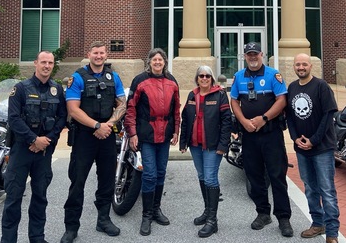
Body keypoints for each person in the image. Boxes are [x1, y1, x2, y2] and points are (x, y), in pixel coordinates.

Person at [60, 41, 127, 242]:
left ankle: (103, 220)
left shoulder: (114, 77)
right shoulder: (77, 78)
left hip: (107, 135)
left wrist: (108, 125)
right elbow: (73, 109)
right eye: (95, 53)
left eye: (101, 53)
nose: (98, 56)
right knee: (77, 182)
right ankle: (71, 227)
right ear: (89, 54)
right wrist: (96, 126)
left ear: (106, 55)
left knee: (107, 180)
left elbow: (122, 104)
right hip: (84, 136)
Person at [0, 51, 67, 243]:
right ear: (35, 63)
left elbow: (62, 117)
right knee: (13, 198)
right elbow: (13, 118)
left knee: (40, 198)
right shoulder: (20, 88)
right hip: (22, 150)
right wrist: (33, 139)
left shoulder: (57, 89)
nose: (47, 66)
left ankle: (37, 237)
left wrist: (46, 140)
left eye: (50, 63)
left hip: (44, 151)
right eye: (43, 62)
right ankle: (8, 240)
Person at [229, 42, 293, 238]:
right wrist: (243, 121)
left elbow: (282, 100)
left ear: (262, 54)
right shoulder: (239, 76)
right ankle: (263, 213)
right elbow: (234, 100)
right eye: (249, 54)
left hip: (271, 134)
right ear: (245, 56)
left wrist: (263, 118)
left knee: (277, 176)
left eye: (255, 54)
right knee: (254, 176)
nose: (252, 57)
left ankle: (283, 218)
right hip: (249, 135)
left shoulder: (273, 75)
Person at [124, 48, 180, 236]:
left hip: (165, 134)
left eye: (160, 60)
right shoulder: (139, 80)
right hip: (146, 134)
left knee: (161, 172)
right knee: (149, 174)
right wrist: (132, 133)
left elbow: (176, 109)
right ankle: (146, 215)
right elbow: (131, 108)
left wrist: (176, 130)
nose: (157, 62)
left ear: (164, 62)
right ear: (149, 62)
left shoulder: (172, 81)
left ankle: (156, 209)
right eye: (154, 59)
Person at [286, 53, 340, 243]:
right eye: (297, 64)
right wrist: (295, 138)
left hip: (322, 148)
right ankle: (318, 223)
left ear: (310, 66)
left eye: (304, 64)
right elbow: (290, 116)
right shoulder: (292, 88)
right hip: (302, 149)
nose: (301, 67)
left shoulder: (321, 86)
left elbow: (328, 116)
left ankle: (332, 233)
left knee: (327, 190)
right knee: (310, 188)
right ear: (294, 66)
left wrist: (314, 140)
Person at [179, 65, 232, 238]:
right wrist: (183, 142)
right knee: (202, 176)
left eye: (207, 76)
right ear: (197, 78)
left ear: (212, 79)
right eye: (201, 76)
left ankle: (212, 221)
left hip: (213, 146)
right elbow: (186, 119)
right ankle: (207, 211)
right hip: (195, 145)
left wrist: (223, 145)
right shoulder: (192, 95)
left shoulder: (220, 95)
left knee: (210, 178)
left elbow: (226, 122)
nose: (204, 78)